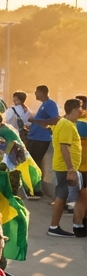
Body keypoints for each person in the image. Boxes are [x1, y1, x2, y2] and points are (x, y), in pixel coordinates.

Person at [47, 97, 82, 237]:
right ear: (73, 110)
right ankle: (54, 227)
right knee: (61, 195)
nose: (81, 111)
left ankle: (54, 226)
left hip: (63, 166)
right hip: (64, 167)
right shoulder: (66, 124)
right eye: (79, 109)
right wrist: (71, 169)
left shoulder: (64, 122)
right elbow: (64, 147)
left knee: (62, 194)